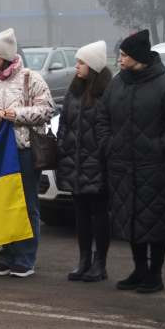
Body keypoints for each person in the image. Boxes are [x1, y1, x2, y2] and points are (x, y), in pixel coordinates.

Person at [96, 29, 165, 294]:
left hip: (154, 168)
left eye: (124, 54)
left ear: (138, 56)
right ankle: (139, 270)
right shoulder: (117, 83)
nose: (119, 59)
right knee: (130, 220)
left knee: (155, 222)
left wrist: (161, 149)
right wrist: (108, 145)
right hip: (122, 166)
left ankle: (155, 274)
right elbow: (102, 118)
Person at [0, 28, 55, 278]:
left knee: (27, 205)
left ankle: (26, 257)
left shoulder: (31, 78)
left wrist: (17, 115)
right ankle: (6, 255)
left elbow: (47, 109)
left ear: (5, 56)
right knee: (3, 205)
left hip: (25, 151)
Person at [56, 41, 112, 281]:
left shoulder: (106, 93)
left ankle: (100, 264)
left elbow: (108, 128)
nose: (76, 66)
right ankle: (83, 260)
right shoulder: (74, 89)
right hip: (74, 162)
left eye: (81, 62)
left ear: (94, 65)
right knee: (80, 214)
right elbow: (65, 122)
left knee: (99, 214)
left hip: (96, 164)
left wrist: (101, 154)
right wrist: (62, 144)